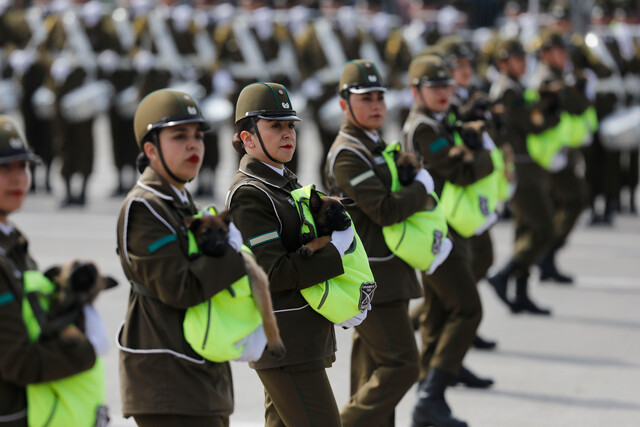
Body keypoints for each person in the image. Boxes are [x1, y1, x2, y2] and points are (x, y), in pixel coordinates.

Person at [227, 82, 359, 427]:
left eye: (290, 126)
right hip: (285, 340)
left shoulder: (281, 180)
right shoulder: (250, 194)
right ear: (247, 137)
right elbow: (273, 272)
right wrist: (337, 252)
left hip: (300, 336)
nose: (288, 134)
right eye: (275, 126)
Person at [116, 89, 248, 427]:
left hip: (197, 374)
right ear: (151, 149)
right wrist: (235, 254)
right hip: (167, 380)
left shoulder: (181, 202)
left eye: (198, 136)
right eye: (179, 136)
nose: (194, 145)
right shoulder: (145, 207)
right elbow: (181, 288)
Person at [323, 59, 435, 427]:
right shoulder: (347, 154)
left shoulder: (372, 143)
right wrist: (421, 187)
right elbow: (385, 210)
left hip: (387, 270)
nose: (376, 105)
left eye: (380, 98)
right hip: (374, 274)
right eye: (365, 98)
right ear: (344, 104)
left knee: (372, 371)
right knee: (403, 365)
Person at [403, 55, 495, 427]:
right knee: (468, 308)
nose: (444, 93)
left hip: (446, 227)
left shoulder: (439, 121)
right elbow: (461, 171)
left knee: (440, 313)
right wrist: (482, 149)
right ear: (416, 91)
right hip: (434, 232)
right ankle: (431, 396)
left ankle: (431, 391)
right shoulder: (423, 129)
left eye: (447, 86)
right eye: (434, 87)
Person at [0, 115, 104, 426]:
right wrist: (87, 351)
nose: (19, 178)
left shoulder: (12, 241)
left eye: (23, 167)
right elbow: (19, 362)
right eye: (4, 169)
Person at [487, 38, 560, 315]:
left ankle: (520, 291)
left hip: (525, 166)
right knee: (544, 228)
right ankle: (503, 275)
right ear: (502, 63)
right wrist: (551, 110)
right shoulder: (508, 91)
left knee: (526, 230)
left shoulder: (514, 88)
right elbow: (533, 123)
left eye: (523, 58)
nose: (522, 63)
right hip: (520, 168)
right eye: (515, 59)